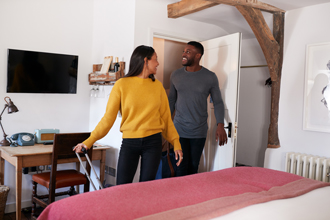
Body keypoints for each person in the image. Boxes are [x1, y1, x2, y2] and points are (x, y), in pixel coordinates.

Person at [74, 45, 183, 185]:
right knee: (122, 186)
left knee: (147, 187)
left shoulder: (158, 87)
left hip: (153, 142)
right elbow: (108, 119)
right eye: (155, 59)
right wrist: (88, 142)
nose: (158, 63)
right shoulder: (121, 85)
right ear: (145, 60)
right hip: (130, 142)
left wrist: (176, 143)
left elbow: (167, 120)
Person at [168, 41, 227, 176]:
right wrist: (165, 124)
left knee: (194, 166)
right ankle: (180, 196)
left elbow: (218, 102)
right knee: (180, 167)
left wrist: (220, 125)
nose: (183, 54)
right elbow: (171, 99)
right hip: (179, 129)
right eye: (184, 51)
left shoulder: (210, 77)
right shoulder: (176, 75)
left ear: (198, 55)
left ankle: (192, 196)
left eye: (188, 52)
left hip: (198, 130)